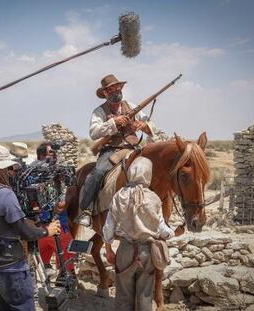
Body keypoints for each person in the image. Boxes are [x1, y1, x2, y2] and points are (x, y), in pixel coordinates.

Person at [0, 144, 61, 311]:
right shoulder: (4, 194)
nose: (9, 170)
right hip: (10, 267)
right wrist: (47, 230)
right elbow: (25, 232)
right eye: (7, 167)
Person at [102, 157, 184, 311]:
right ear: (148, 174)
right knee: (145, 297)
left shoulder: (119, 196)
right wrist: (175, 233)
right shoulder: (153, 198)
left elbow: (108, 228)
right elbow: (163, 231)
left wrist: (108, 249)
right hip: (147, 252)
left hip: (125, 250)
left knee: (123, 297)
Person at [77, 74, 158, 227]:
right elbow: (94, 132)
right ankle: (86, 211)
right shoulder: (99, 112)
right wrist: (113, 122)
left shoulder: (132, 106)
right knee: (98, 172)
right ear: (105, 93)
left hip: (133, 148)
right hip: (111, 150)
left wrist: (142, 125)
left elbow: (151, 126)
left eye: (117, 87)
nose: (115, 90)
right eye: (110, 89)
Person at [35, 143, 75, 277]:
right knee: (65, 263)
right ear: (41, 155)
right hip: (47, 228)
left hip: (49, 227)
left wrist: (65, 203)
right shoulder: (31, 174)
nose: (55, 155)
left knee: (64, 264)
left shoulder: (58, 171)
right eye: (51, 152)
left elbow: (71, 189)